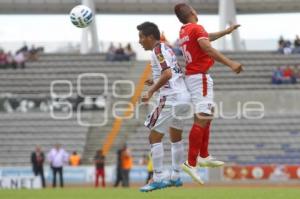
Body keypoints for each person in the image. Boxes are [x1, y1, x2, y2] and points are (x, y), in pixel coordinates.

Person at [174, 3, 243, 184]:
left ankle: (203, 155)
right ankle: (191, 163)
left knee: (208, 113)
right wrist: (231, 63)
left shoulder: (184, 31)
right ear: (193, 12)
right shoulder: (197, 28)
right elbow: (207, 47)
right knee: (202, 117)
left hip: (193, 76)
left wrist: (225, 32)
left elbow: (205, 39)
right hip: (199, 77)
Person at [137, 22, 191, 192]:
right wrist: (155, 80)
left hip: (171, 97)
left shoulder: (157, 50)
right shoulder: (167, 48)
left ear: (150, 37)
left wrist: (151, 91)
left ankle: (158, 177)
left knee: (154, 137)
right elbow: (174, 72)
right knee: (176, 137)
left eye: (141, 37)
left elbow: (167, 74)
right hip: (184, 96)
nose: (139, 41)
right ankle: (175, 176)